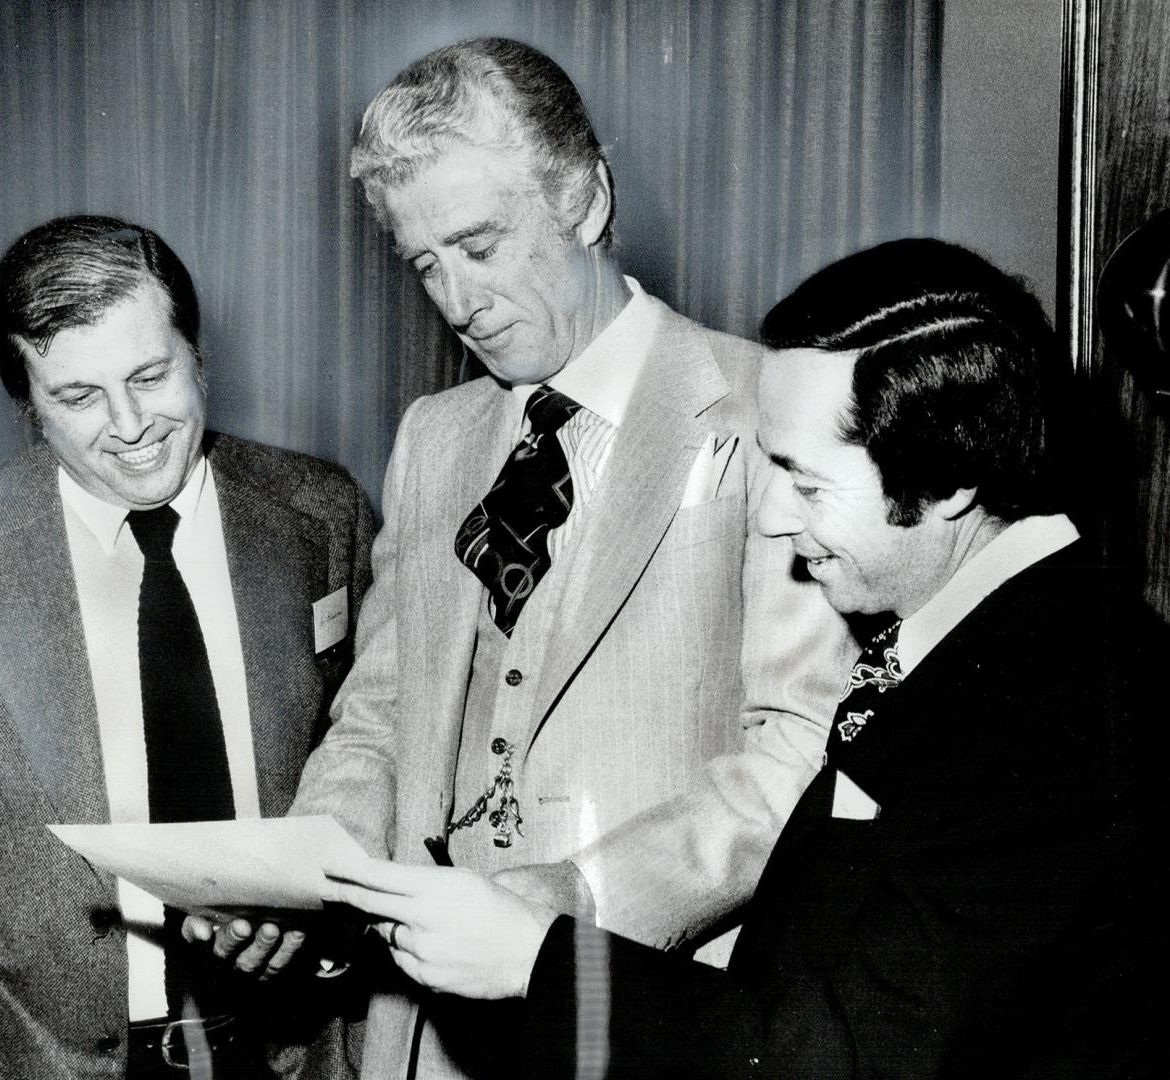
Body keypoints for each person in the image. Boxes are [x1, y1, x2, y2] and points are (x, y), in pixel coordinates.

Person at [325, 238, 1168, 1077]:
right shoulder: (989, 642)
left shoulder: (1063, 708)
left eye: (806, 482)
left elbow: (849, 1057)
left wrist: (540, 963)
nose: (770, 519)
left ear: (949, 476)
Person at [197, 37, 854, 1079]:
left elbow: (796, 753)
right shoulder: (438, 436)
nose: (456, 300)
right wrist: (298, 868)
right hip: (428, 1040)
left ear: (584, 200)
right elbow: (380, 714)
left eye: (481, 243)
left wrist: (571, 907)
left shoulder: (763, 406)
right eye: (425, 262)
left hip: (636, 1014)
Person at [0, 215, 375, 1079]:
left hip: (290, 1050)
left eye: (151, 374)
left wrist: (324, 919)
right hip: (24, 1058)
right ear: (27, 409)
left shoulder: (319, 511)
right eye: (77, 397)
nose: (131, 424)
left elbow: (369, 750)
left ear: (198, 354)